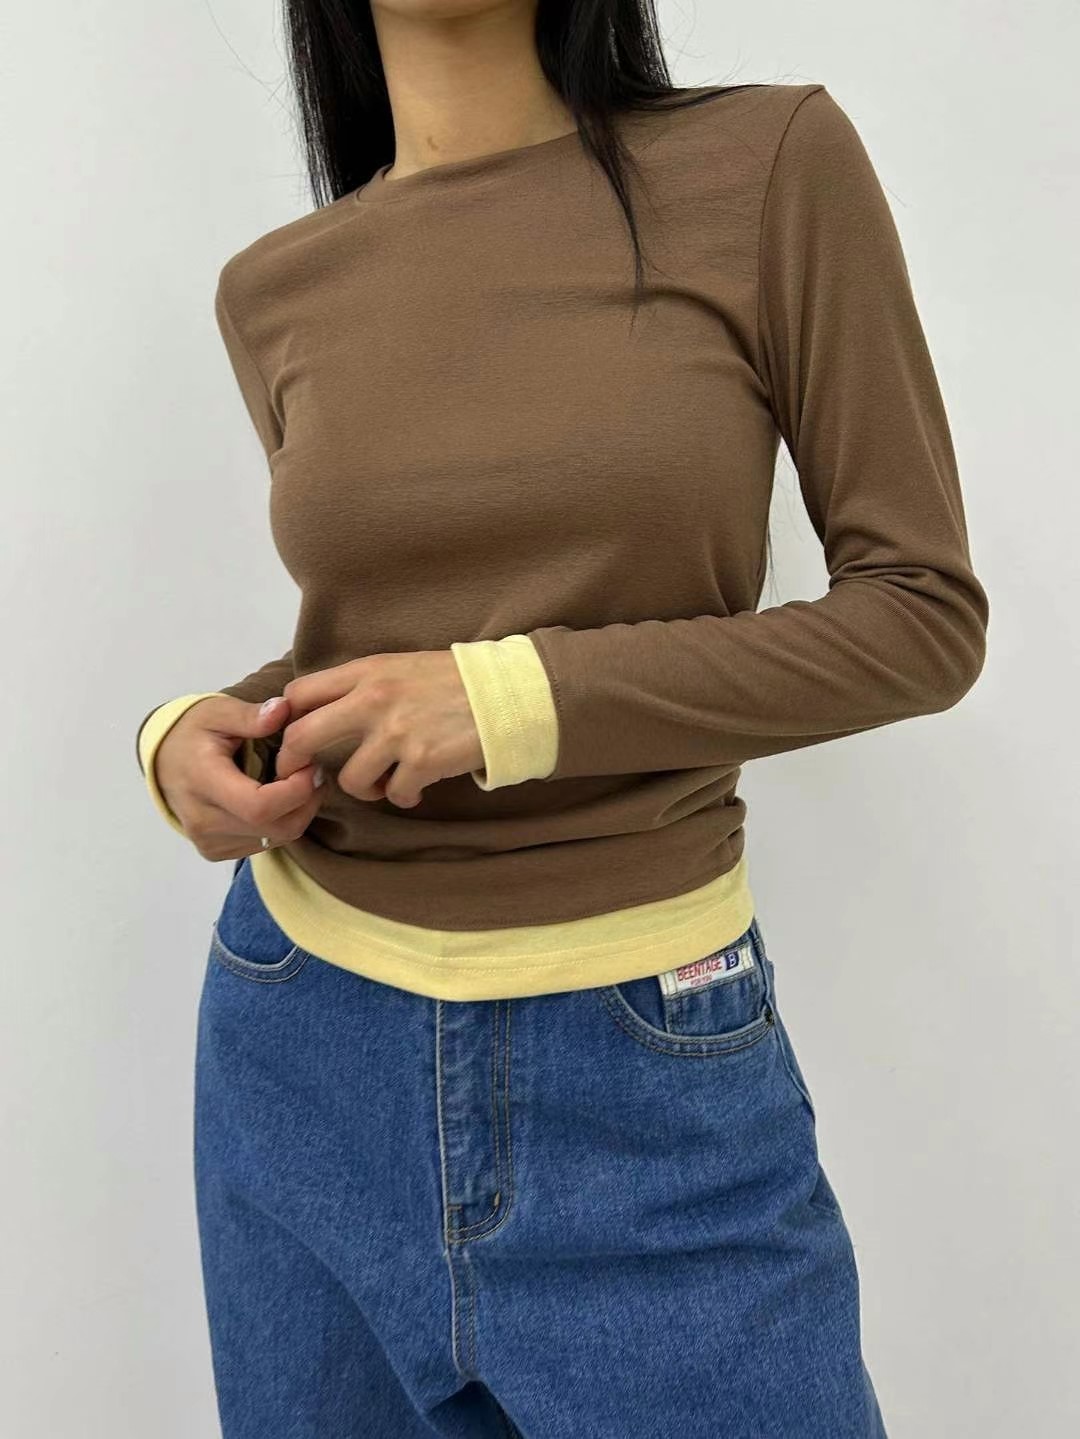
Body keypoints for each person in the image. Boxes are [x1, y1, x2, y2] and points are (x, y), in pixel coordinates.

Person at [134, 3, 989, 1435]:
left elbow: (921, 617)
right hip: (301, 1047)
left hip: (649, 1073)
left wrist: (512, 700)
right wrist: (185, 736)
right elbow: (391, 634)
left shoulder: (769, 164)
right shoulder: (274, 287)